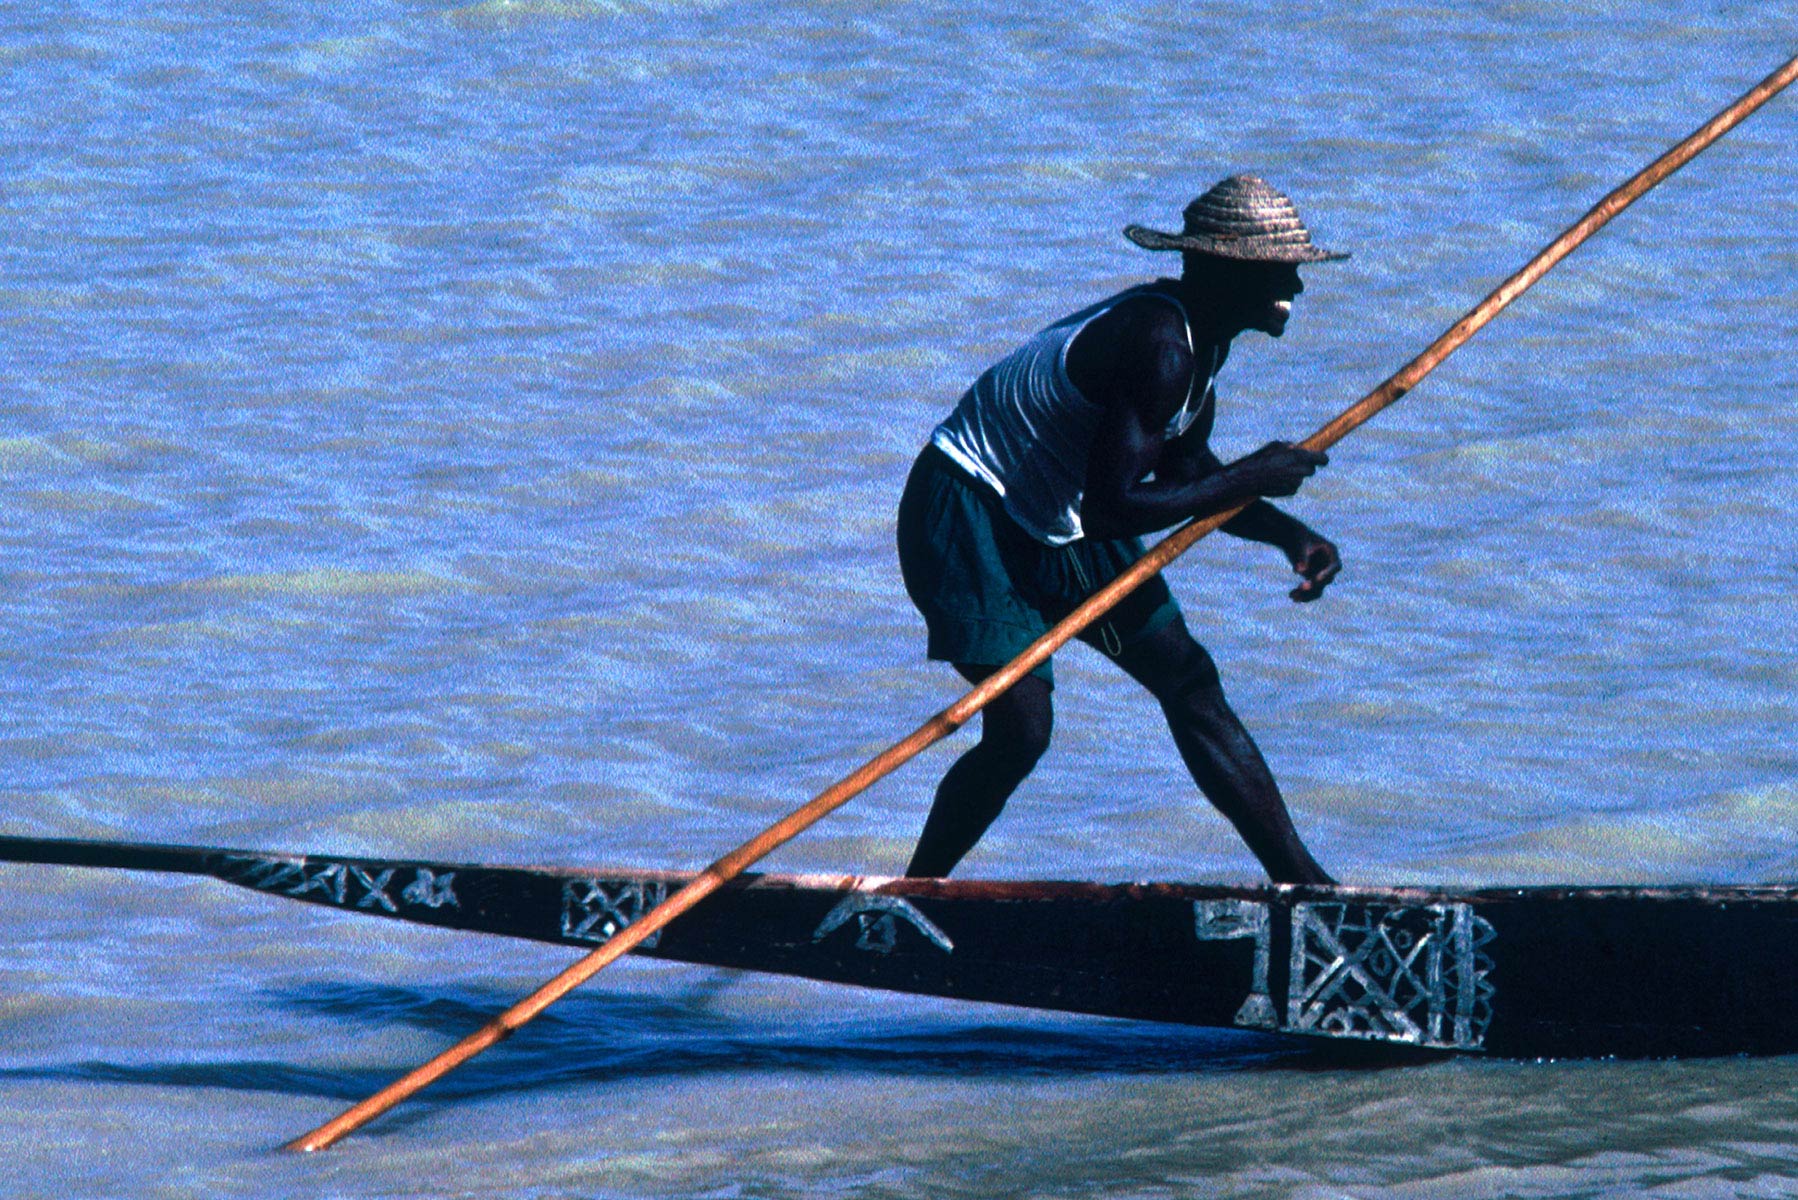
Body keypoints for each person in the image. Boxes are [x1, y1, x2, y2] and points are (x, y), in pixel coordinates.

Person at [895, 174, 1346, 884]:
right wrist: (1255, 474)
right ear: (1223, 271)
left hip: (1065, 512)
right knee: (1021, 730)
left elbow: (1186, 470)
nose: (1295, 283)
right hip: (969, 510)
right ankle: (915, 891)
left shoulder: (1204, 343)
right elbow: (1117, 508)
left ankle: (1303, 883)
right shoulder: (1161, 347)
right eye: (1278, 268)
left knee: (1188, 679)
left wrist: (1286, 533)